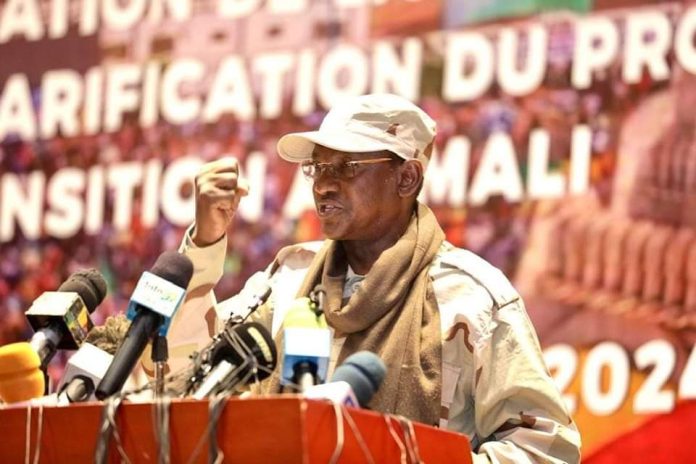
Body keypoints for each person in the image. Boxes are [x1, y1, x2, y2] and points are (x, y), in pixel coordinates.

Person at [167, 94, 581, 463]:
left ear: (406, 178)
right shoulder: (289, 278)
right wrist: (206, 243)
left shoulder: (469, 296)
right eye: (317, 168)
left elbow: (545, 450)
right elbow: (182, 373)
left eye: (346, 167)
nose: (323, 185)